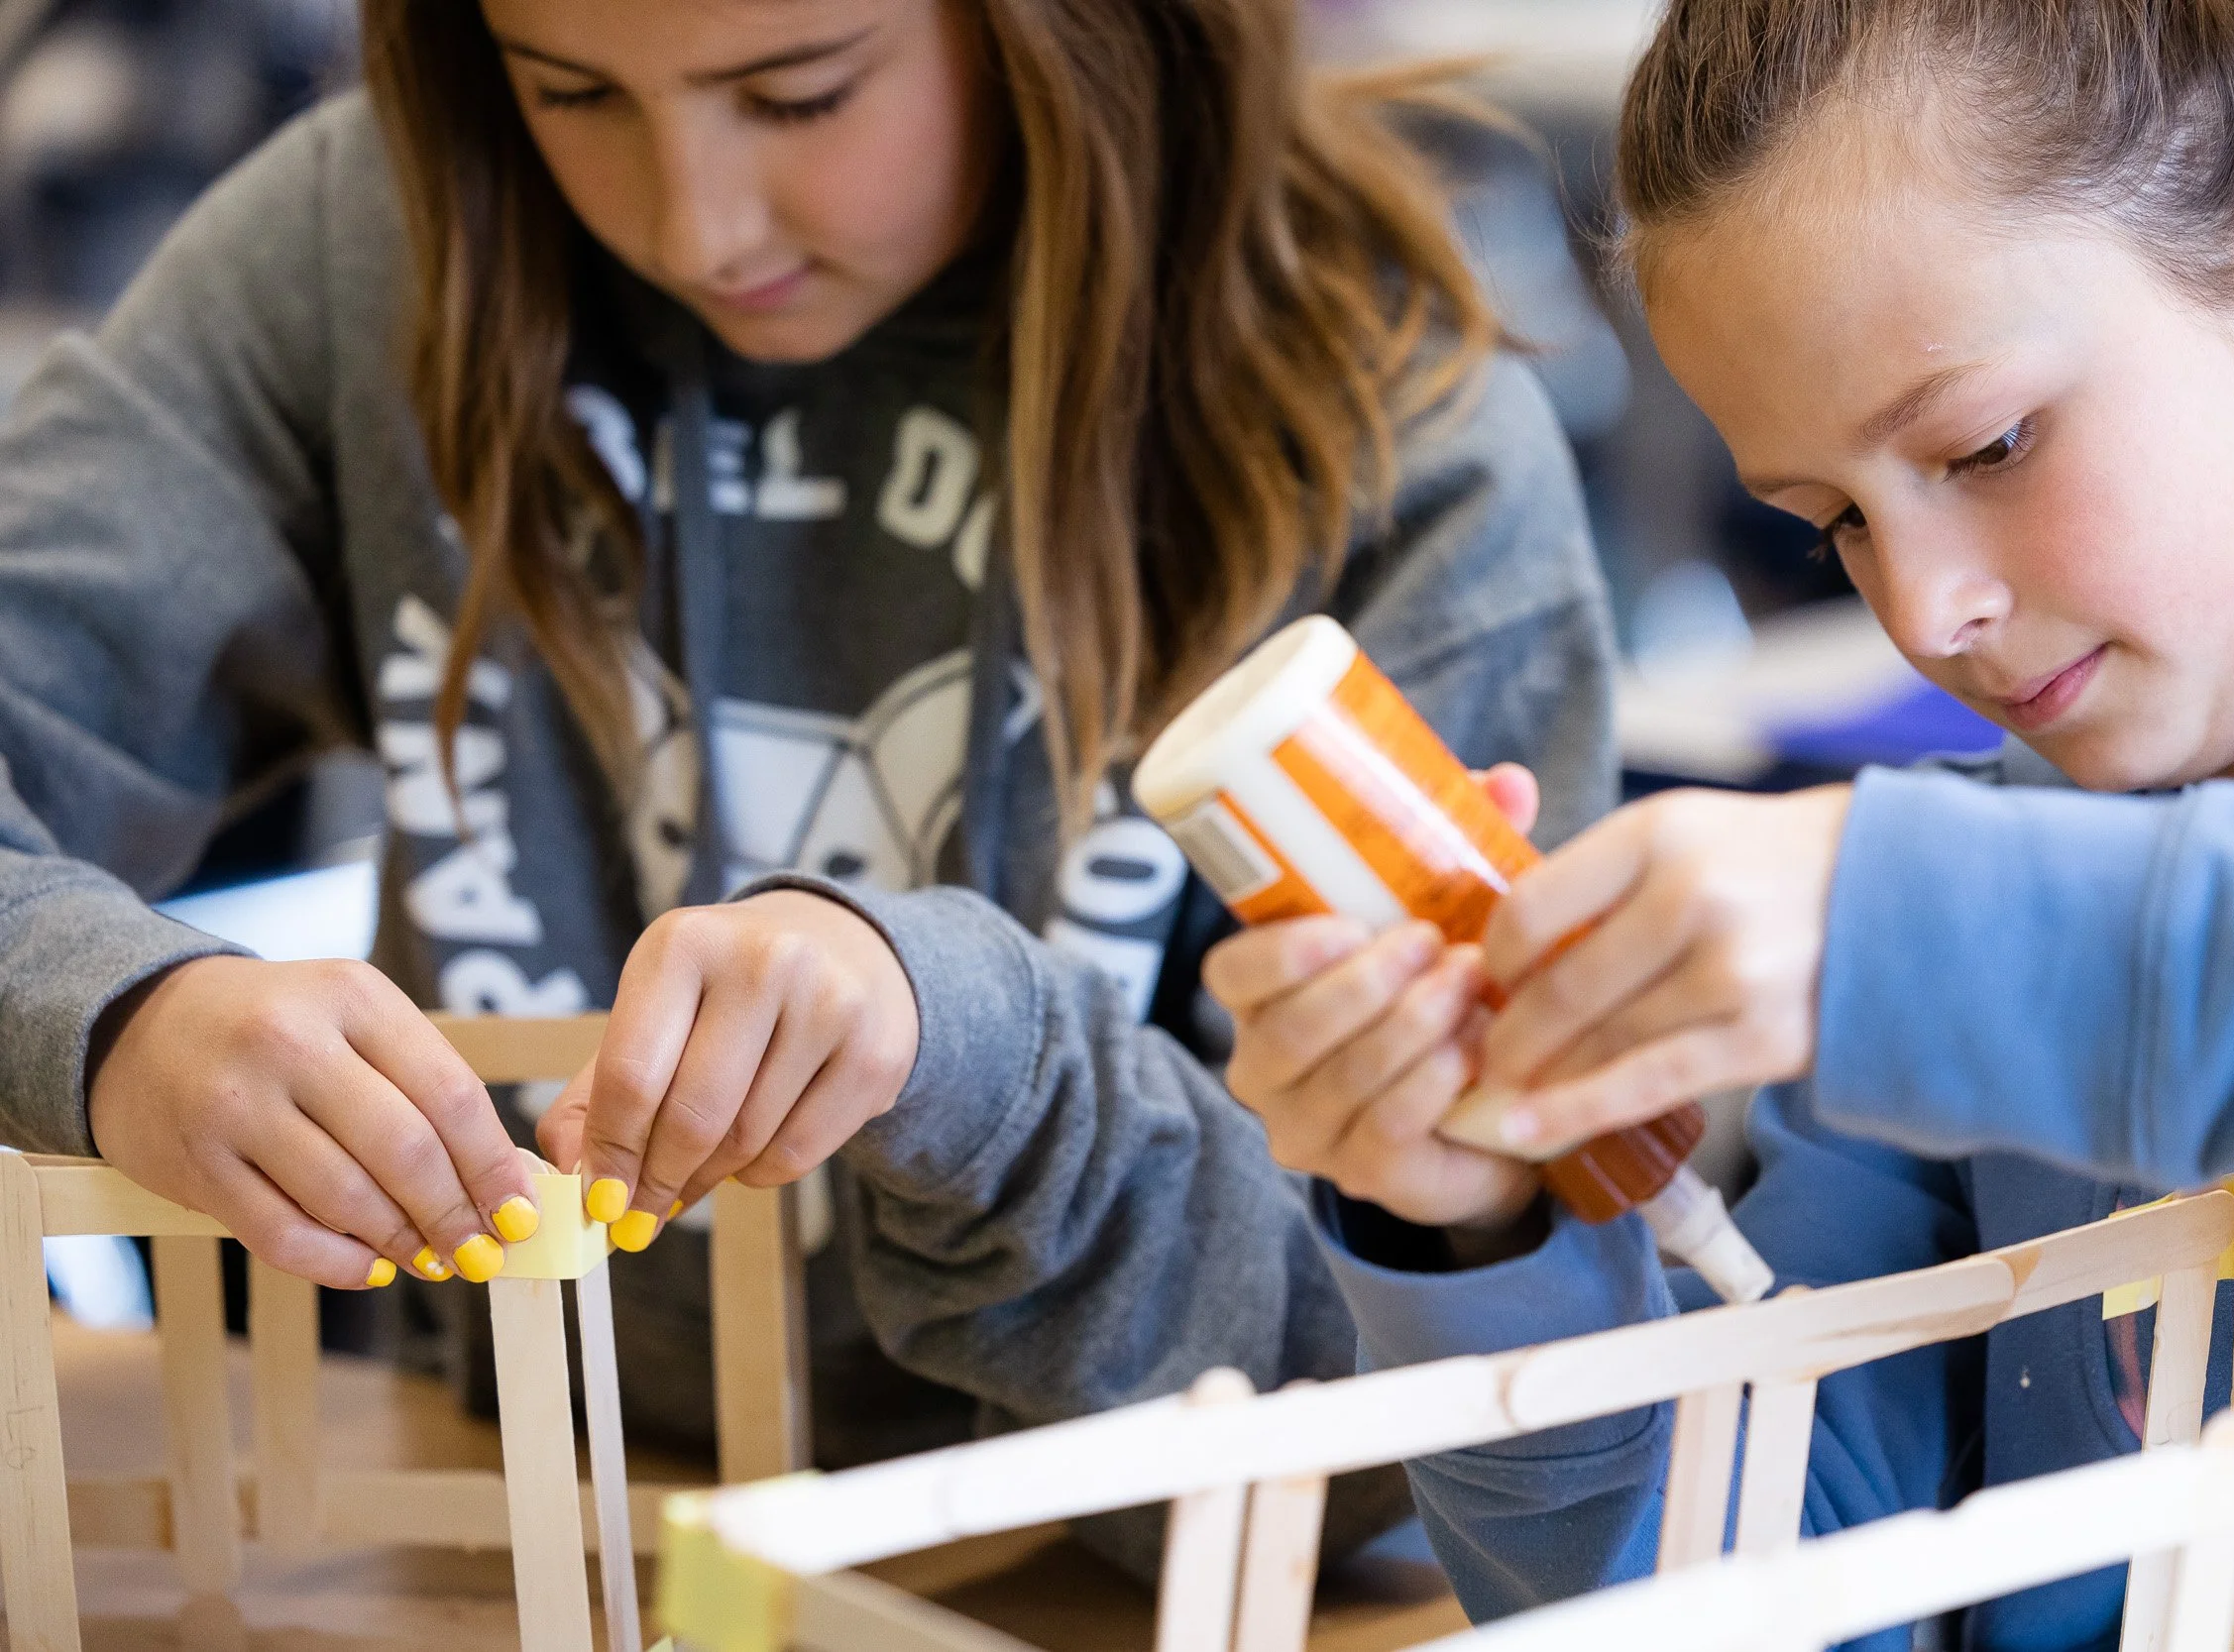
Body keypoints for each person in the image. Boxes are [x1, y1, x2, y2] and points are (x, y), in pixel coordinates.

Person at [0, 0, 1618, 1562]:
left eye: (798, 95)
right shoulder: (369, 247)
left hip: (1121, 1591)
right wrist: (113, 1013)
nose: (697, 225)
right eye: (570, 90)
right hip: (519, 1515)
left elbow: (1441, 1428)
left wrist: (975, 1059)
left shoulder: (1386, 422)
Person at [1207, 0, 2234, 1638]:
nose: (1927, 610)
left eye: (1988, 443)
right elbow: (1743, 1592)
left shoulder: (1933, 928)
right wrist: (1478, 1231)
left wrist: (1903, 928)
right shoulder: (1934, 947)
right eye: (1837, 525)